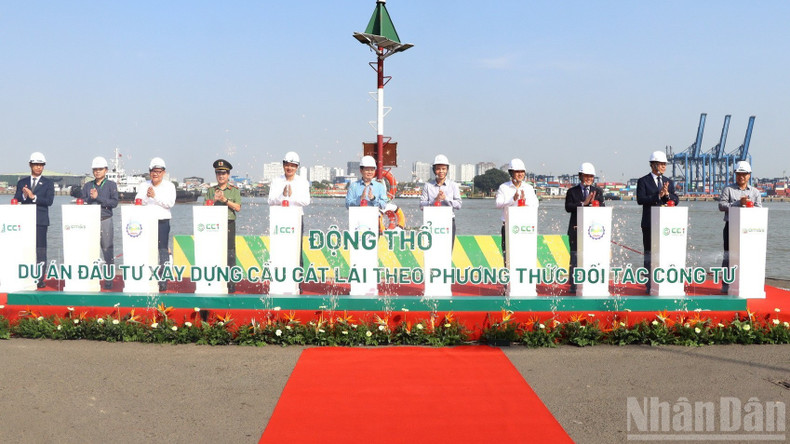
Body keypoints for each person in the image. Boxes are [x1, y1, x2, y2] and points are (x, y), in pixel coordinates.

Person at [636, 150, 679, 293]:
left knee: (665, 253)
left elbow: (676, 200)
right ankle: (649, 284)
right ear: (652, 165)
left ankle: (665, 280)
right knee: (649, 252)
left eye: (664, 164)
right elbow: (640, 200)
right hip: (649, 223)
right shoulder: (643, 181)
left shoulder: (669, 182)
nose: (663, 167)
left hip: (666, 225)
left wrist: (667, 194)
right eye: (660, 164)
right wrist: (657, 195)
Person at [717, 160, 762, 294]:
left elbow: (759, 209)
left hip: (749, 230)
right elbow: (721, 205)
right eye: (738, 174)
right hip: (731, 227)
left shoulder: (755, 192)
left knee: (747, 256)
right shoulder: (728, 189)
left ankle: (746, 283)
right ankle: (726, 285)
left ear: (749, 175)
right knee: (728, 256)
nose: (741, 176)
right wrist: (738, 203)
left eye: (744, 174)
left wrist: (749, 205)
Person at [135, 157, 176, 291]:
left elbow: (169, 203)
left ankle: (163, 280)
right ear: (149, 172)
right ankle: (147, 278)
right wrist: (146, 197)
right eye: (153, 171)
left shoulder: (169, 186)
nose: (155, 174)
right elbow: (138, 201)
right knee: (146, 250)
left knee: (162, 250)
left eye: (159, 171)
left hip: (162, 222)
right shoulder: (143, 185)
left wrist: (155, 196)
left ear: (163, 172)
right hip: (146, 223)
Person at [14, 152, 55, 288]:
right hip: (24, 221)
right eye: (36, 164)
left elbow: (49, 201)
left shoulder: (48, 183)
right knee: (24, 249)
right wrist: (25, 197)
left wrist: (33, 197)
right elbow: (17, 199)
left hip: (40, 221)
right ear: (30, 165)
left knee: (40, 250)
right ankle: (25, 276)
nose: (38, 167)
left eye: (41, 165)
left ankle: (40, 279)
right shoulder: (22, 182)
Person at [564, 162, 605, 293]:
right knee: (575, 256)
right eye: (586, 176)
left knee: (591, 256)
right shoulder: (572, 191)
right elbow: (568, 207)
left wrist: (594, 205)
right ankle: (574, 284)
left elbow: (603, 209)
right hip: (576, 230)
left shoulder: (597, 191)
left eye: (591, 176)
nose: (589, 179)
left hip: (592, 232)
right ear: (580, 176)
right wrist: (583, 203)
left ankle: (590, 280)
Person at [81, 156, 119, 289]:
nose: (97, 172)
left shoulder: (111, 185)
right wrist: (90, 199)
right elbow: (83, 200)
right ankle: (90, 278)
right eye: (95, 169)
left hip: (105, 220)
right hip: (90, 222)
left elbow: (114, 203)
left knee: (107, 250)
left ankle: (109, 280)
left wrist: (99, 198)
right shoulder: (87, 185)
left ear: (106, 170)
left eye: (100, 169)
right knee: (89, 251)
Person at [206, 159, 242, 293]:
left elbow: (238, 207)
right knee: (213, 253)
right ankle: (214, 282)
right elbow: (204, 207)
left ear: (228, 175)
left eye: (224, 173)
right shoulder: (211, 190)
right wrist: (214, 200)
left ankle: (231, 284)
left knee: (230, 253)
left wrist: (225, 200)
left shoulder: (234, 190)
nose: (221, 176)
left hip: (228, 223)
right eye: (219, 173)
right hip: (212, 225)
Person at [495, 158, 539, 262]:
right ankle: (509, 276)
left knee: (524, 256)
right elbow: (498, 204)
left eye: (522, 172)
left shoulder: (528, 188)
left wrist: (525, 201)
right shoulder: (503, 187)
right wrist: (512, 200)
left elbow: (535, 204)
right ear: (511, 173)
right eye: (517, 172)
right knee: (509, 256)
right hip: (508, 226)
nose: (520, 174)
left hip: (525, 226)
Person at [420, 154, 462, 246]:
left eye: (443, 169)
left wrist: (445, 199)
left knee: (447, 251)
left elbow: (459, 204)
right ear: (434, 170)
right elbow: (422, 205)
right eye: (438, 169)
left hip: (449, 221)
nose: (441, 171)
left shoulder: (453, 185)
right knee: (432, 250)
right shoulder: (428, 185)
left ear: (447, 170)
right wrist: (435, 200)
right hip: (432, 222)